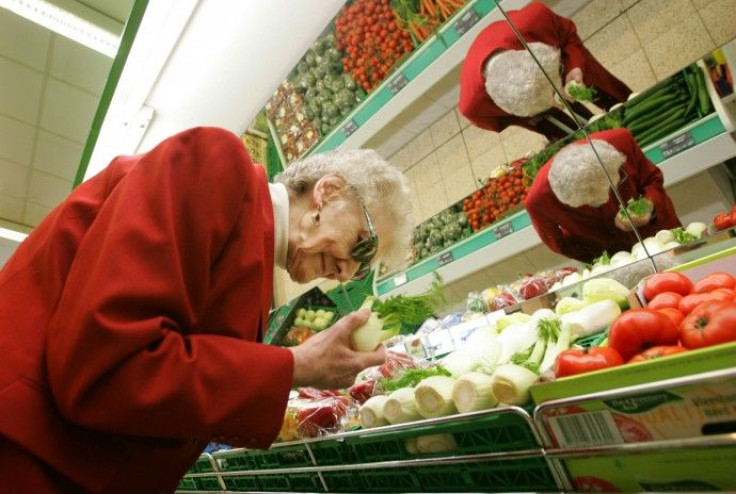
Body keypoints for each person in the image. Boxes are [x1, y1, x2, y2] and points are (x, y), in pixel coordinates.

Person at [0, 126, 414, 493]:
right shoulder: (213, 162)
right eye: (361, 246)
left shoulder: (249, 258)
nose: (347, 273)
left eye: (361, 272)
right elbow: (106, 366)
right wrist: (292, 366)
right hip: (30, 462)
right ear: (329, 192)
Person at [458, 1, 632, 141]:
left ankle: (629, 113)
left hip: (542, 50)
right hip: (528, 107)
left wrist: (574, 66)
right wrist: (536, 113)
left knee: (600, 85)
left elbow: (567, 35)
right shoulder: (473, 107)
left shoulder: (535, 19)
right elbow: (505, 121)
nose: (558, 97)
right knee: (568, 134)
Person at [524, 128, 682, 263]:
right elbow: (560, 244)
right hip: (615, 256)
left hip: (660, 232)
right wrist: (600, 256)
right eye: (592, 202)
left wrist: (650, 205)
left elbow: (652, 178)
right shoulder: (538, 201)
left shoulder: (621, 141)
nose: (605, 201)